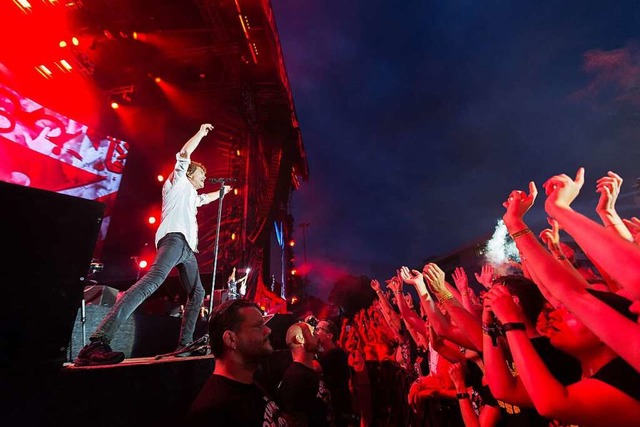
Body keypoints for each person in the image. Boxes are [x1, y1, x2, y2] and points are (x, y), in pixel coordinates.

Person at [74, 124, 231, 366]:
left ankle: (184, 345)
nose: (204, 178)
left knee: (197, 292)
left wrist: (222, 193)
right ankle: (97, 341)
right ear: (190, 173)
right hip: (174, 239)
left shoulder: (190, 195)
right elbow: (184, 155)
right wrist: (200, 132)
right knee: (153, 281)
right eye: (201, 174)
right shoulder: (177, 183)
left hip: (187, 248)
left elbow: (202, 199)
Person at [188, 299, 288, 426]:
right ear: (231, 339)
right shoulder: (211, 412)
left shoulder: (253, 385)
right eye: (258, 326)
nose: (268, 330)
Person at [278, 322, 334, 427]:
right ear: (299, 339)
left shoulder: (308, 372)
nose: (317, 335)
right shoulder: (295, 379)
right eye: (313, 332)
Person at [315, 319, 354, 426]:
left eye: (318, 329)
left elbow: (315, 367)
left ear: (329, 335)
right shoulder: (325, 354)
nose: (315, 332)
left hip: (339, 409)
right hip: (333, 409)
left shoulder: (336, 354)